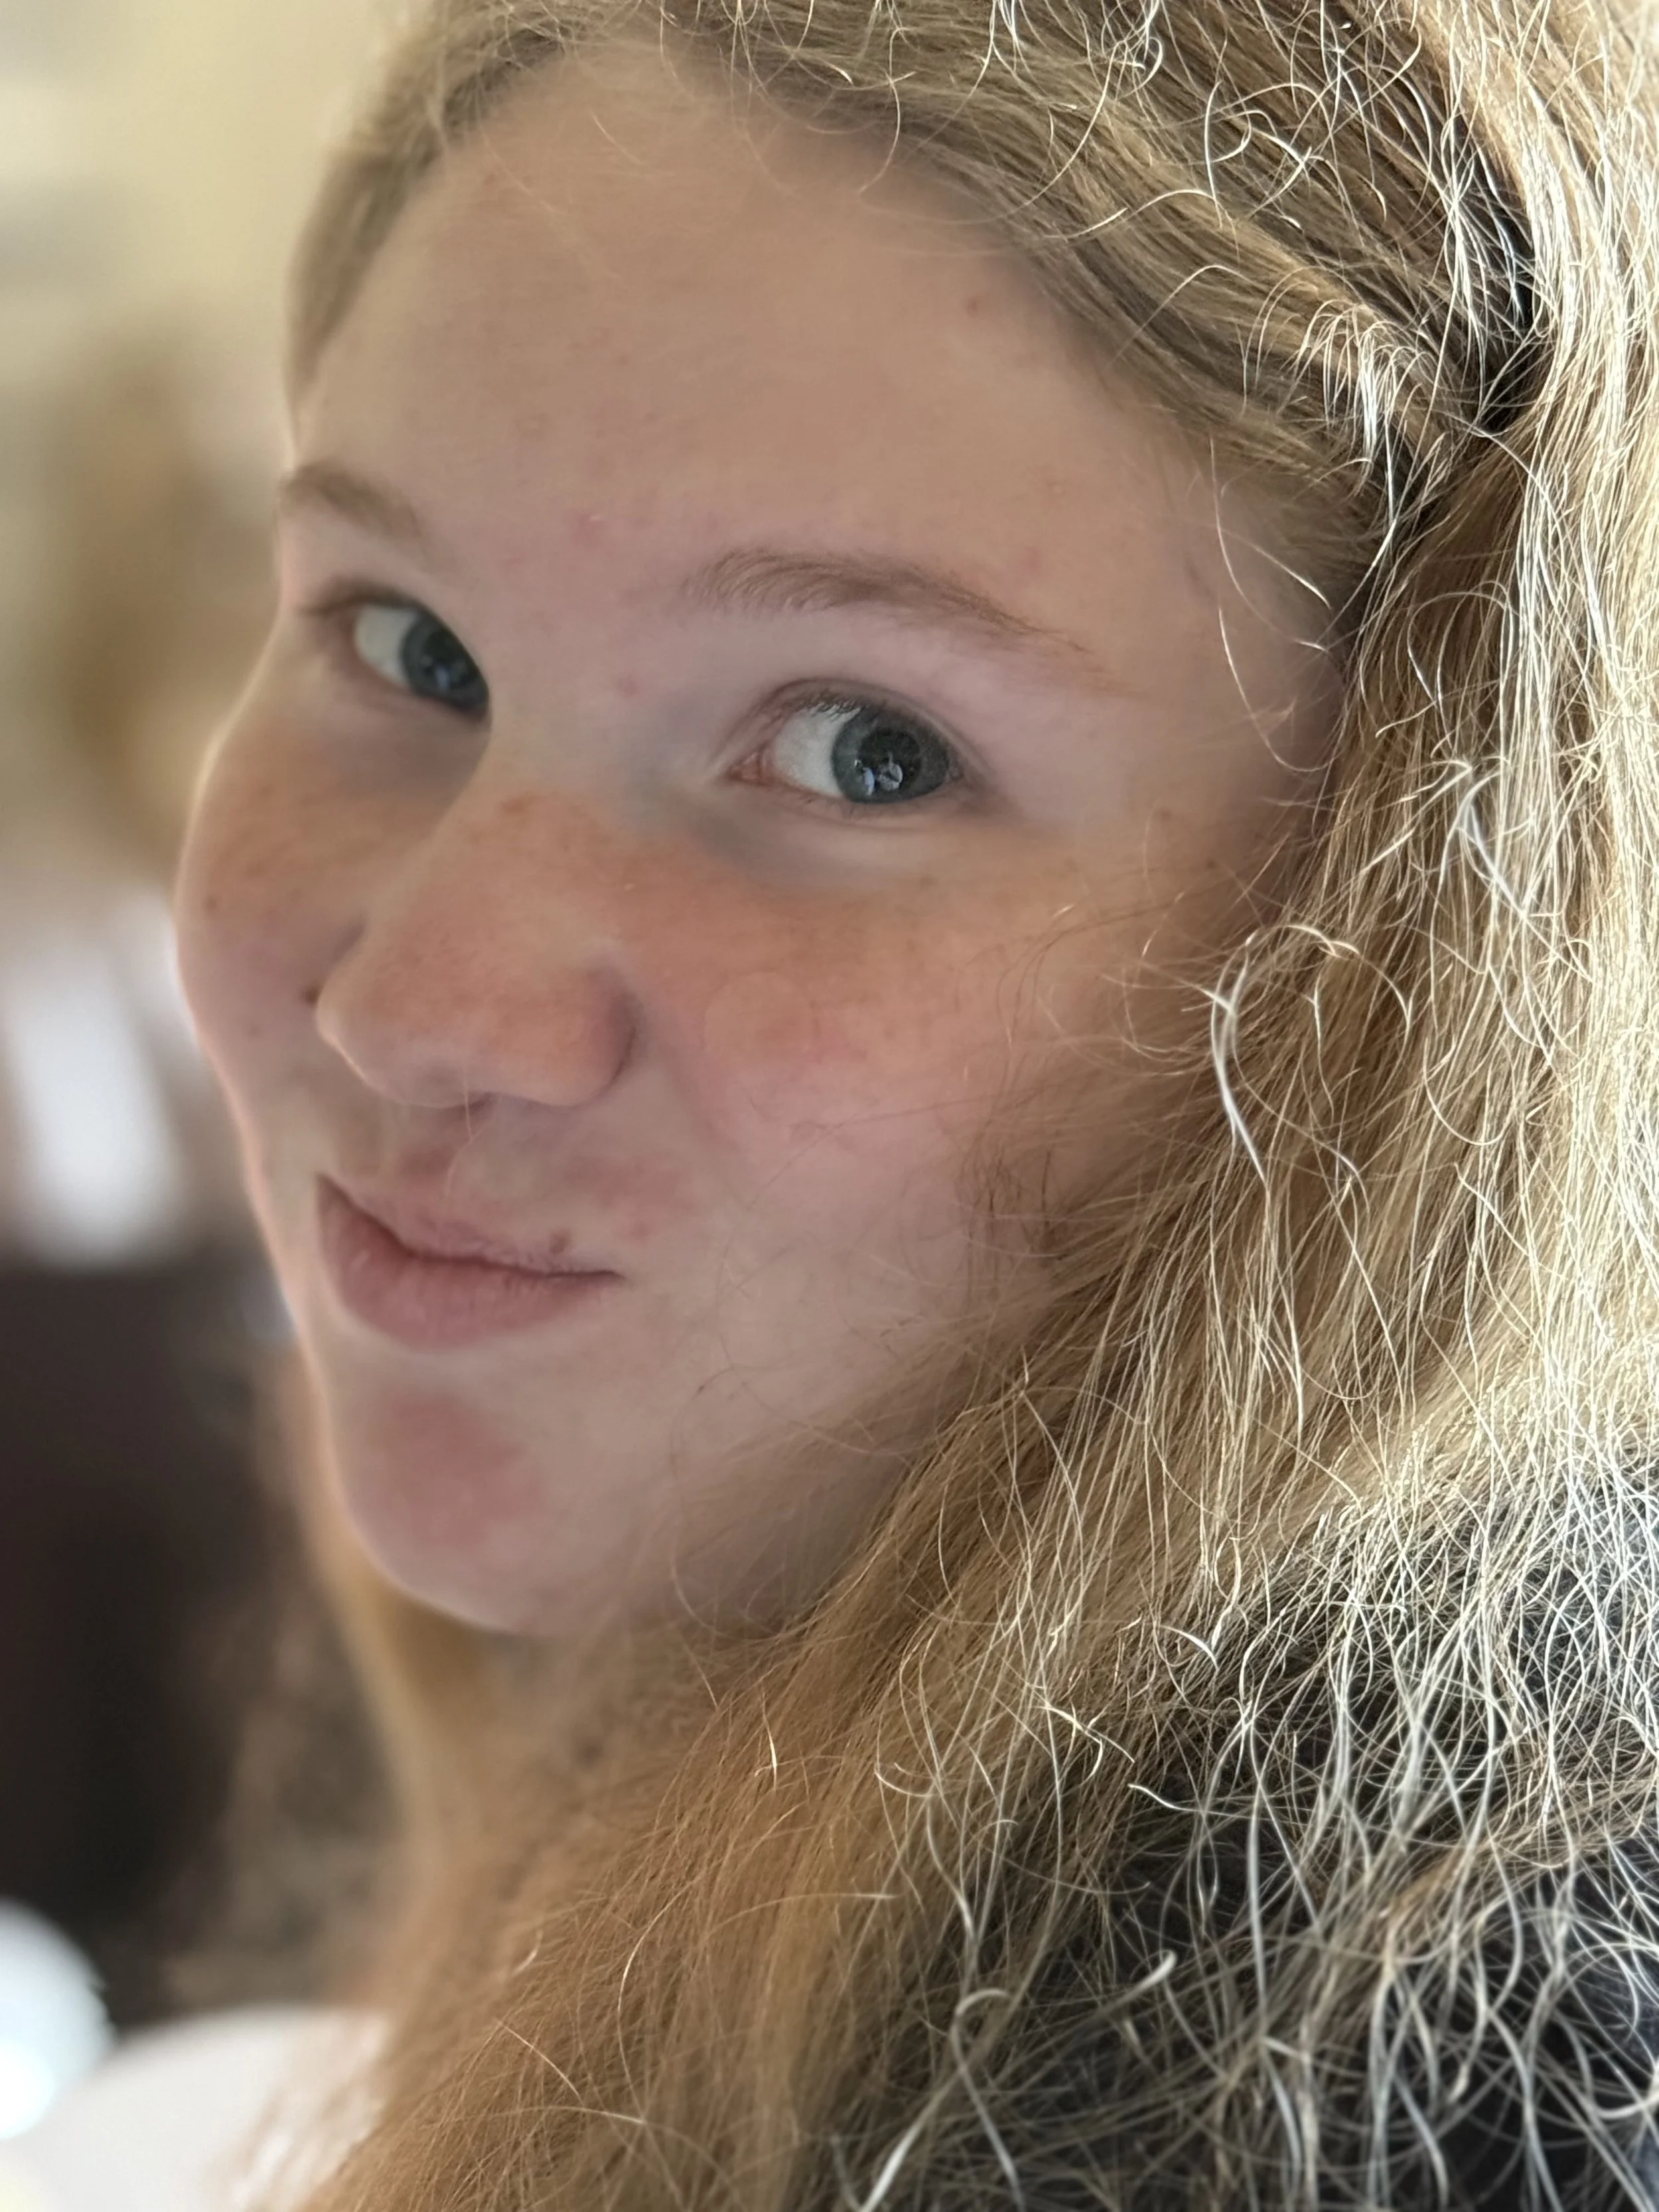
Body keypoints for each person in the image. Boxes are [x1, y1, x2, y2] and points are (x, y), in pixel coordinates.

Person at [24, 0, 1659, 2199]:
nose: (420, 1006)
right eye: (411, 644)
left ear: (1418, 974)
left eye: (866, 748)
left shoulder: (1415, 2059)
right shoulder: (764, 1648)